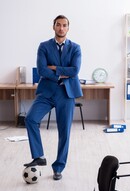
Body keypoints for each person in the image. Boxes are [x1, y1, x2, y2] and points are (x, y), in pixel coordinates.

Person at [24, 15, 83, 180]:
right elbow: (42, 70)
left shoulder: (75, 48)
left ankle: (58, 167)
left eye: (64, 25)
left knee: (64, 132)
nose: (61, 28)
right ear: (54, 27)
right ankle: (39, 156)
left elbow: (75, 70)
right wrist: (61, 74)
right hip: (47, 92)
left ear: (68, 28)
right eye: (58, 25)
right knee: (30, 119)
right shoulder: (43, 46)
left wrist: (55, 68)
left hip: (66, 93)